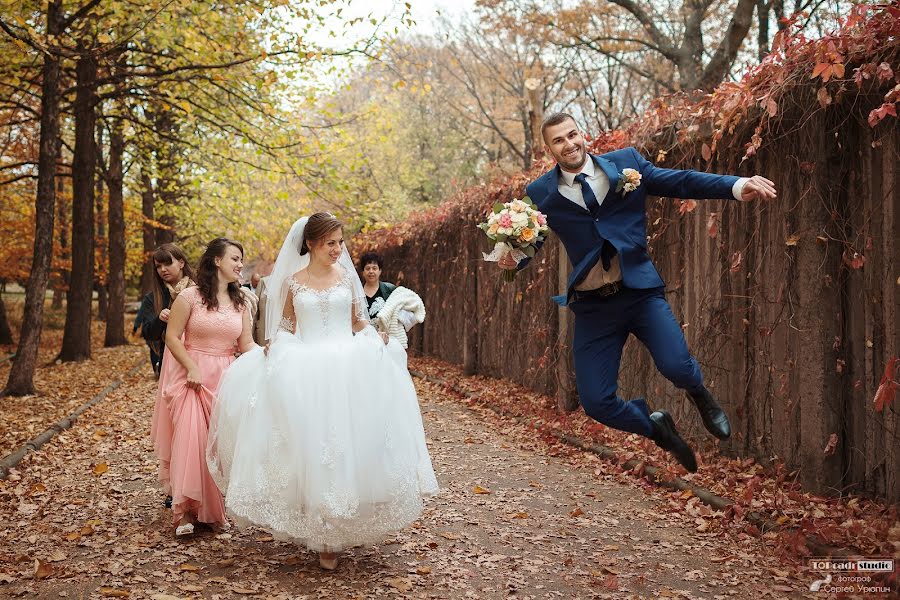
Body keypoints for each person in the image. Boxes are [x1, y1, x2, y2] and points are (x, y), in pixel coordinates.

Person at [499, 113, 777, 473]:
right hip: (594, 307)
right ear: (549, 148)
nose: (569, 144)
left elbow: (682, 182)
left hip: (639, 294)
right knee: (597, 402)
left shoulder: (626, 164)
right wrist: (511, 258)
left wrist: (737, 185)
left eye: (572, 135)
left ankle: (700, 396)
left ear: (583, 135)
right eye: (559, 140)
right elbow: (528, 242)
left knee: (676, 365)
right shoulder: (541, 193)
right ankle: (657, 428)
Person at [207, 213, 438, 570]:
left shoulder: (347, 278)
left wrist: (373, 335)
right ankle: (322, 528)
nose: (337, 249)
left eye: (340, 242)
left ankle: (339, 527)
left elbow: (357, 320)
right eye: (331, 243)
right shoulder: (295, 282)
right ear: (311, 243)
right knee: (312, 447)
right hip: (307, 368)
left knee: (346, 444)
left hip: (346, 366)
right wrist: (276, 344)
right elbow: (286, 324)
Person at [151, 238, 256, 536]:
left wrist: (267, 353)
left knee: (215, 446)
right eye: (234, 258)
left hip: (225, 379)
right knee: (191, 441)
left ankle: (211, 511)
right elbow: (172, 337)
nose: (239, 265)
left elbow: (245, 344)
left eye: (241, 259)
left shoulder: (241, 303)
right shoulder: (189, 297)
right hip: (191, 377)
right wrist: (191, 367)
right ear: (216, 261)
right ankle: (184, 512)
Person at [133, 244, 195, 378]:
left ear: (181, 263)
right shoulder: (153, 298)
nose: (163, 269)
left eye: (168, 263)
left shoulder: (199, 290)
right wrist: (159, 319)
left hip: (200, 357)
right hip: (168, 362)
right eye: (158, 266)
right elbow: (148, 334)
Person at [359, 251, 422, 345]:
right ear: (363, 272)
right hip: (365, 341)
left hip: (389, 341)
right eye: (367, 268)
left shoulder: (390, 289)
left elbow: (410, 305)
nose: (371, 271)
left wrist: (396, 318)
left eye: (374, 268)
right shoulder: (357, 294)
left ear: (380, 271)